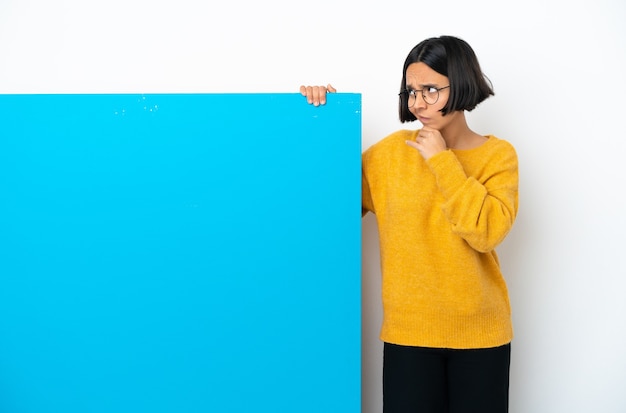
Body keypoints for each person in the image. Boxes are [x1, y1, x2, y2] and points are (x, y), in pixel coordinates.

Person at [301, 35, 518, 413]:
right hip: (409, 336)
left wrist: (440, 161)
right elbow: (325, 208)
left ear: (462, 82)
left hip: (481, 337)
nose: (417, 103)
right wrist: (319, 121)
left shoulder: (497, 155)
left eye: (430, 90)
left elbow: (487, 232)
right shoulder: (389, 155)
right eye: (410, 92)